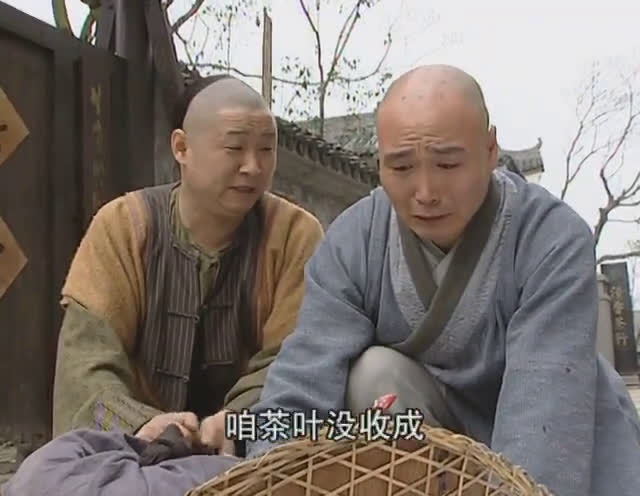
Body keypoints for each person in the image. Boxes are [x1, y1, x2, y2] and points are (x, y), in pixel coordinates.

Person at [245, 65, 640, 496]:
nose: (426, 191)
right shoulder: (354, 241)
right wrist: (265, 478)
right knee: (372, 376)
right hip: (432, 433)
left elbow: (547, 401)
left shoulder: (550, 236)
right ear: (379, 164)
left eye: (448, 163)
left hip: (557, 433)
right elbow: (304, 378)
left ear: (490, 150)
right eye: (401, 167)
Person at [51, 73, 324, 455]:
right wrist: (139, 423)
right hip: (133, 447)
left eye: (266, 149)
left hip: (247, 450)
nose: (253, 166)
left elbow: (297, 358)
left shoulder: (295, 235)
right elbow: (85, 364)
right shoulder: (124, 227)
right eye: (234, 147)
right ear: (181, 148)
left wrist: (238, 421)